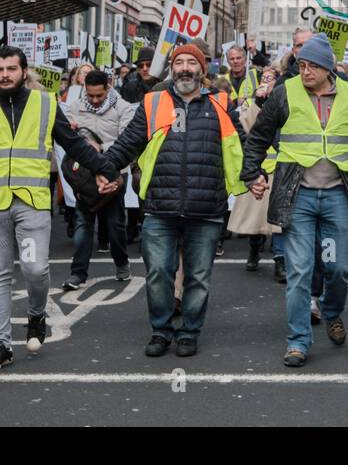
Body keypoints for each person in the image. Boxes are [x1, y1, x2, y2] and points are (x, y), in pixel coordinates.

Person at [0, 45, 122, 371]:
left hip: (31, 203)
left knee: (35, 270)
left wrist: (106, 168)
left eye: (11, 69)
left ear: (23, 71)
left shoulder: (46, 104)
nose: (5, 75)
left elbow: (73, 144)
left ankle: (36, 315)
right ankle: (2, 344)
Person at [242, 33, 348, 367]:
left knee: (337, 268)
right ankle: (298, 340)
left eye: (311, 66)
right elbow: (259, 136)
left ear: (327, 68)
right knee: (299, 271)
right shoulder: (284, 94)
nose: (304, 71)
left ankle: (332, 312)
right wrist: (252, 175)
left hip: (336, 197)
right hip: (298, 198)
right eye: (301, 65)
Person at [101, 44, 245, 357]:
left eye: (191, 63)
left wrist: (256, 174)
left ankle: (189, 332)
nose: (183, 68)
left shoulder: (221, 103)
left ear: (202, 70)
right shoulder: (153, 103)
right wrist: (103, 169)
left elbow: (243, 144)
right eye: (178, 62)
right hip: (160, 208)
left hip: (206, 208)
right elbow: (128, 143)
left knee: (198, 276)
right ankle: (161, 331)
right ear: (171, 69)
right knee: (157, 274)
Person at [62, 69, 136, 288]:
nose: (94, 100)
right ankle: (78, 274)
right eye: (90, 95)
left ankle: (121, 263)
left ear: (109, 87)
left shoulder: (124, 109)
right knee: (83, 225)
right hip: (85, 177)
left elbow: (127, 143)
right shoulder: (74, 108)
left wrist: (100, 148)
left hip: (114, 176)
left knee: (115, 226)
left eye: (99, 96)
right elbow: (68, 139)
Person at [223, 44, 262, 109]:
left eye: (238, 58)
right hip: (230, 117)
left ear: (245, 59)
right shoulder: (222, 80)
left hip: (251, 117)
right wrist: (235, 102)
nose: (235, 61)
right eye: (232, 59)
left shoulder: (257, 75)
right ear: (228, 61)